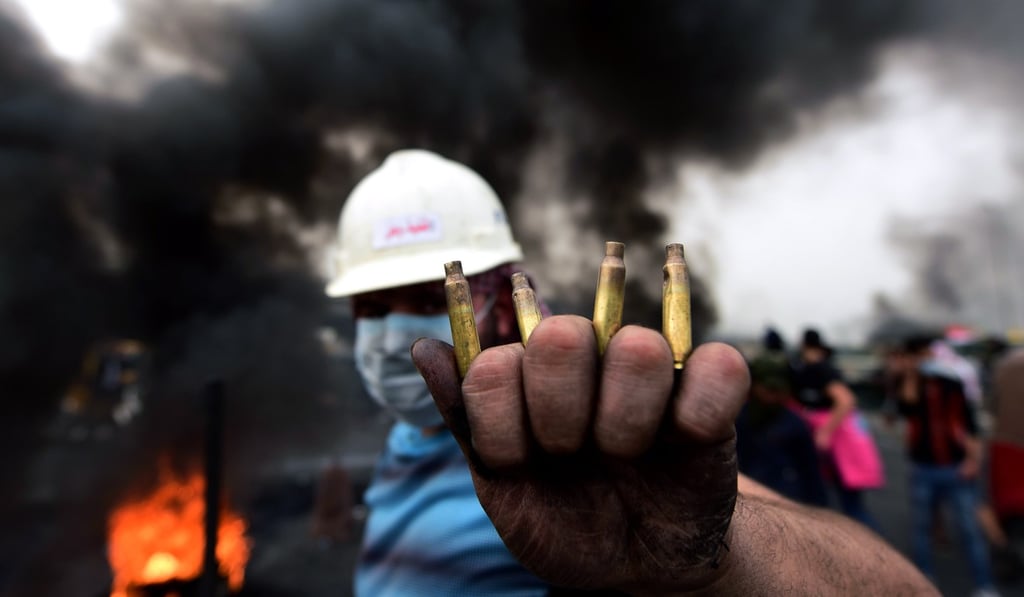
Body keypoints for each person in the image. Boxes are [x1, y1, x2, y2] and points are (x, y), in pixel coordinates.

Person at [409, 318, 938, 594]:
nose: (392, 331)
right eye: (372, 307)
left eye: (418, 297)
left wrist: (713, 559)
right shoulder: (398, 452)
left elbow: (901, 587)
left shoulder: (619, 447)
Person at [326, 149, 555, 595]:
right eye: (372, 309)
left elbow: (717, 511)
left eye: (434, 303)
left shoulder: (553, 440)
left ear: (504, 309)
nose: (395, 341)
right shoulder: (411, 432)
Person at [888, 336, 1000, 596]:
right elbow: (907, 408)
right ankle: (922, 583)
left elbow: (968, 424)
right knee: (921, 529)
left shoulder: (951, 383)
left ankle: (984, 585)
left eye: (924, 354)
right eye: (917, 356)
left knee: (970, 530)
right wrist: (909, 376)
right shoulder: (907, 384)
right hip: (923, 467)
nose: (923, 360)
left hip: (955, 465)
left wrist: (973, 460)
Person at [790, 328, 884, 530]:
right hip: (835, 448)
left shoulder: (819, 370)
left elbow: (846, 400)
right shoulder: (817, 369)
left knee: (848, 509)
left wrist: (825, 431)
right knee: (844, 506)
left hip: (838, 448)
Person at [735, 355, 827, 507]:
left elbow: (811, 472)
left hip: (786, 501)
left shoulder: (795, 424)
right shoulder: (739, 419)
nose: (771, 395)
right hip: (747, 498)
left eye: (777, 389)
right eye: (768, 388)